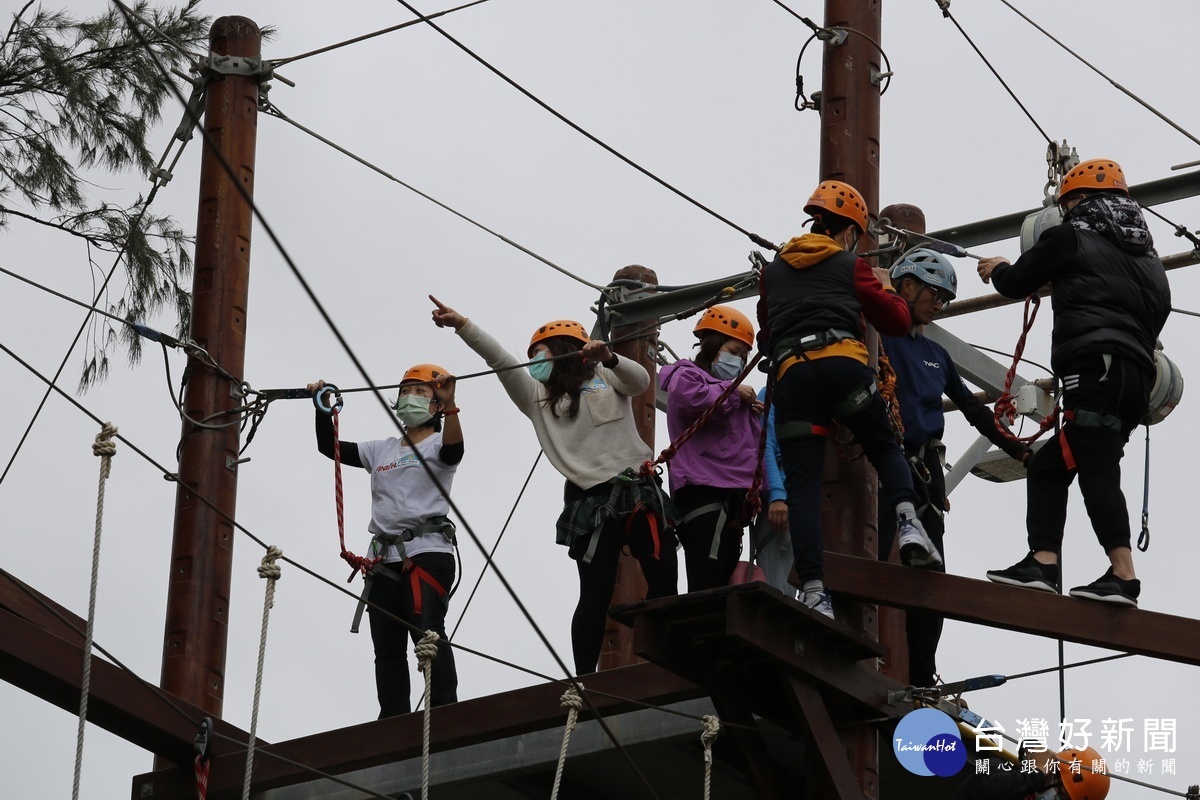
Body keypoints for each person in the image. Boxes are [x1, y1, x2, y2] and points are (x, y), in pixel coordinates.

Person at [430, 296, 677, 675]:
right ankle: (583, 679)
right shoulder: (536, 397)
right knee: (595, 591)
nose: (534, 361)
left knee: (661, 569)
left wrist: (607, 357)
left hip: (634, 486)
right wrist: (463, 324)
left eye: (541, 352)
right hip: (588, 497)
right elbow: (500, 360)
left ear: (567, 352)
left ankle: (668, 657)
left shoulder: (604, 374)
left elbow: (640, 380)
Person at [978, 158, 1170, 607]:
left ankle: (1123, 575)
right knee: (1050, 466)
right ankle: (1043, 562)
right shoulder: (1151, 263)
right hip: (1135, 379)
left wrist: (1001, 267)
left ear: (1079, 201)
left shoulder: (1070, 237)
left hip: (1094, 368)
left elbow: (1019, 281)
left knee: (1096, 466)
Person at [760, 180, 938, 620]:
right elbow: (896, 322)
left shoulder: (773, 272)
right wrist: (887, 288)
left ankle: (815, 590)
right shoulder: (850, 264)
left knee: (801, 487)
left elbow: (766, 331)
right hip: (843, 366)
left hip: (794, 375)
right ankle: (909, 524)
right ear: (849, 232)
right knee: (883, 446)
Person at [877, 247, 1033, 688]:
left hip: (923, 470)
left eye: (945, 298)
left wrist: (1017, 448)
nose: (939, 305)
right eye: (934, 294)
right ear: (905, 287)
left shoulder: (935, 354)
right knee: (873, 557)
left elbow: (971, 409)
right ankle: (863, 650)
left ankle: (921, 674)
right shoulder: (876, 339)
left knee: (931, 573)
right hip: (885, 458)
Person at [308, 365, 462, 718]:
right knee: (387, 646)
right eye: (406, 391)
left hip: (427, 551)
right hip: (383, 557)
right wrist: (321, 408)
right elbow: (327, 447)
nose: (411, 397)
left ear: (436, 407)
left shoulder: (440, 442)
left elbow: (455, 452)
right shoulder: (382, 449)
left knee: (427, 632)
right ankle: (393, 716)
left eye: (421, 393)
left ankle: (444, 711)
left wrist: (451, 405)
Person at [659, 305, 763, 591]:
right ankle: (700, 634)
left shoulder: (732, 396)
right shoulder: (687, 376)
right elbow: (689, 399)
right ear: (713, 344)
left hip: (733, 500)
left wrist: (753, 416)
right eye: (734, 351)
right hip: (703, 493)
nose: (739, 362)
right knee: (707, 583)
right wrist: (732, 394)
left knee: (724, 584)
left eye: (744, 357)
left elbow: (749, 452)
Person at [752, 383, 797, 596]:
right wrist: (777, 496)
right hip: (783, 497)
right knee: (778, 589)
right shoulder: (775, 391)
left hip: (815, 499)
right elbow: (765, 445)